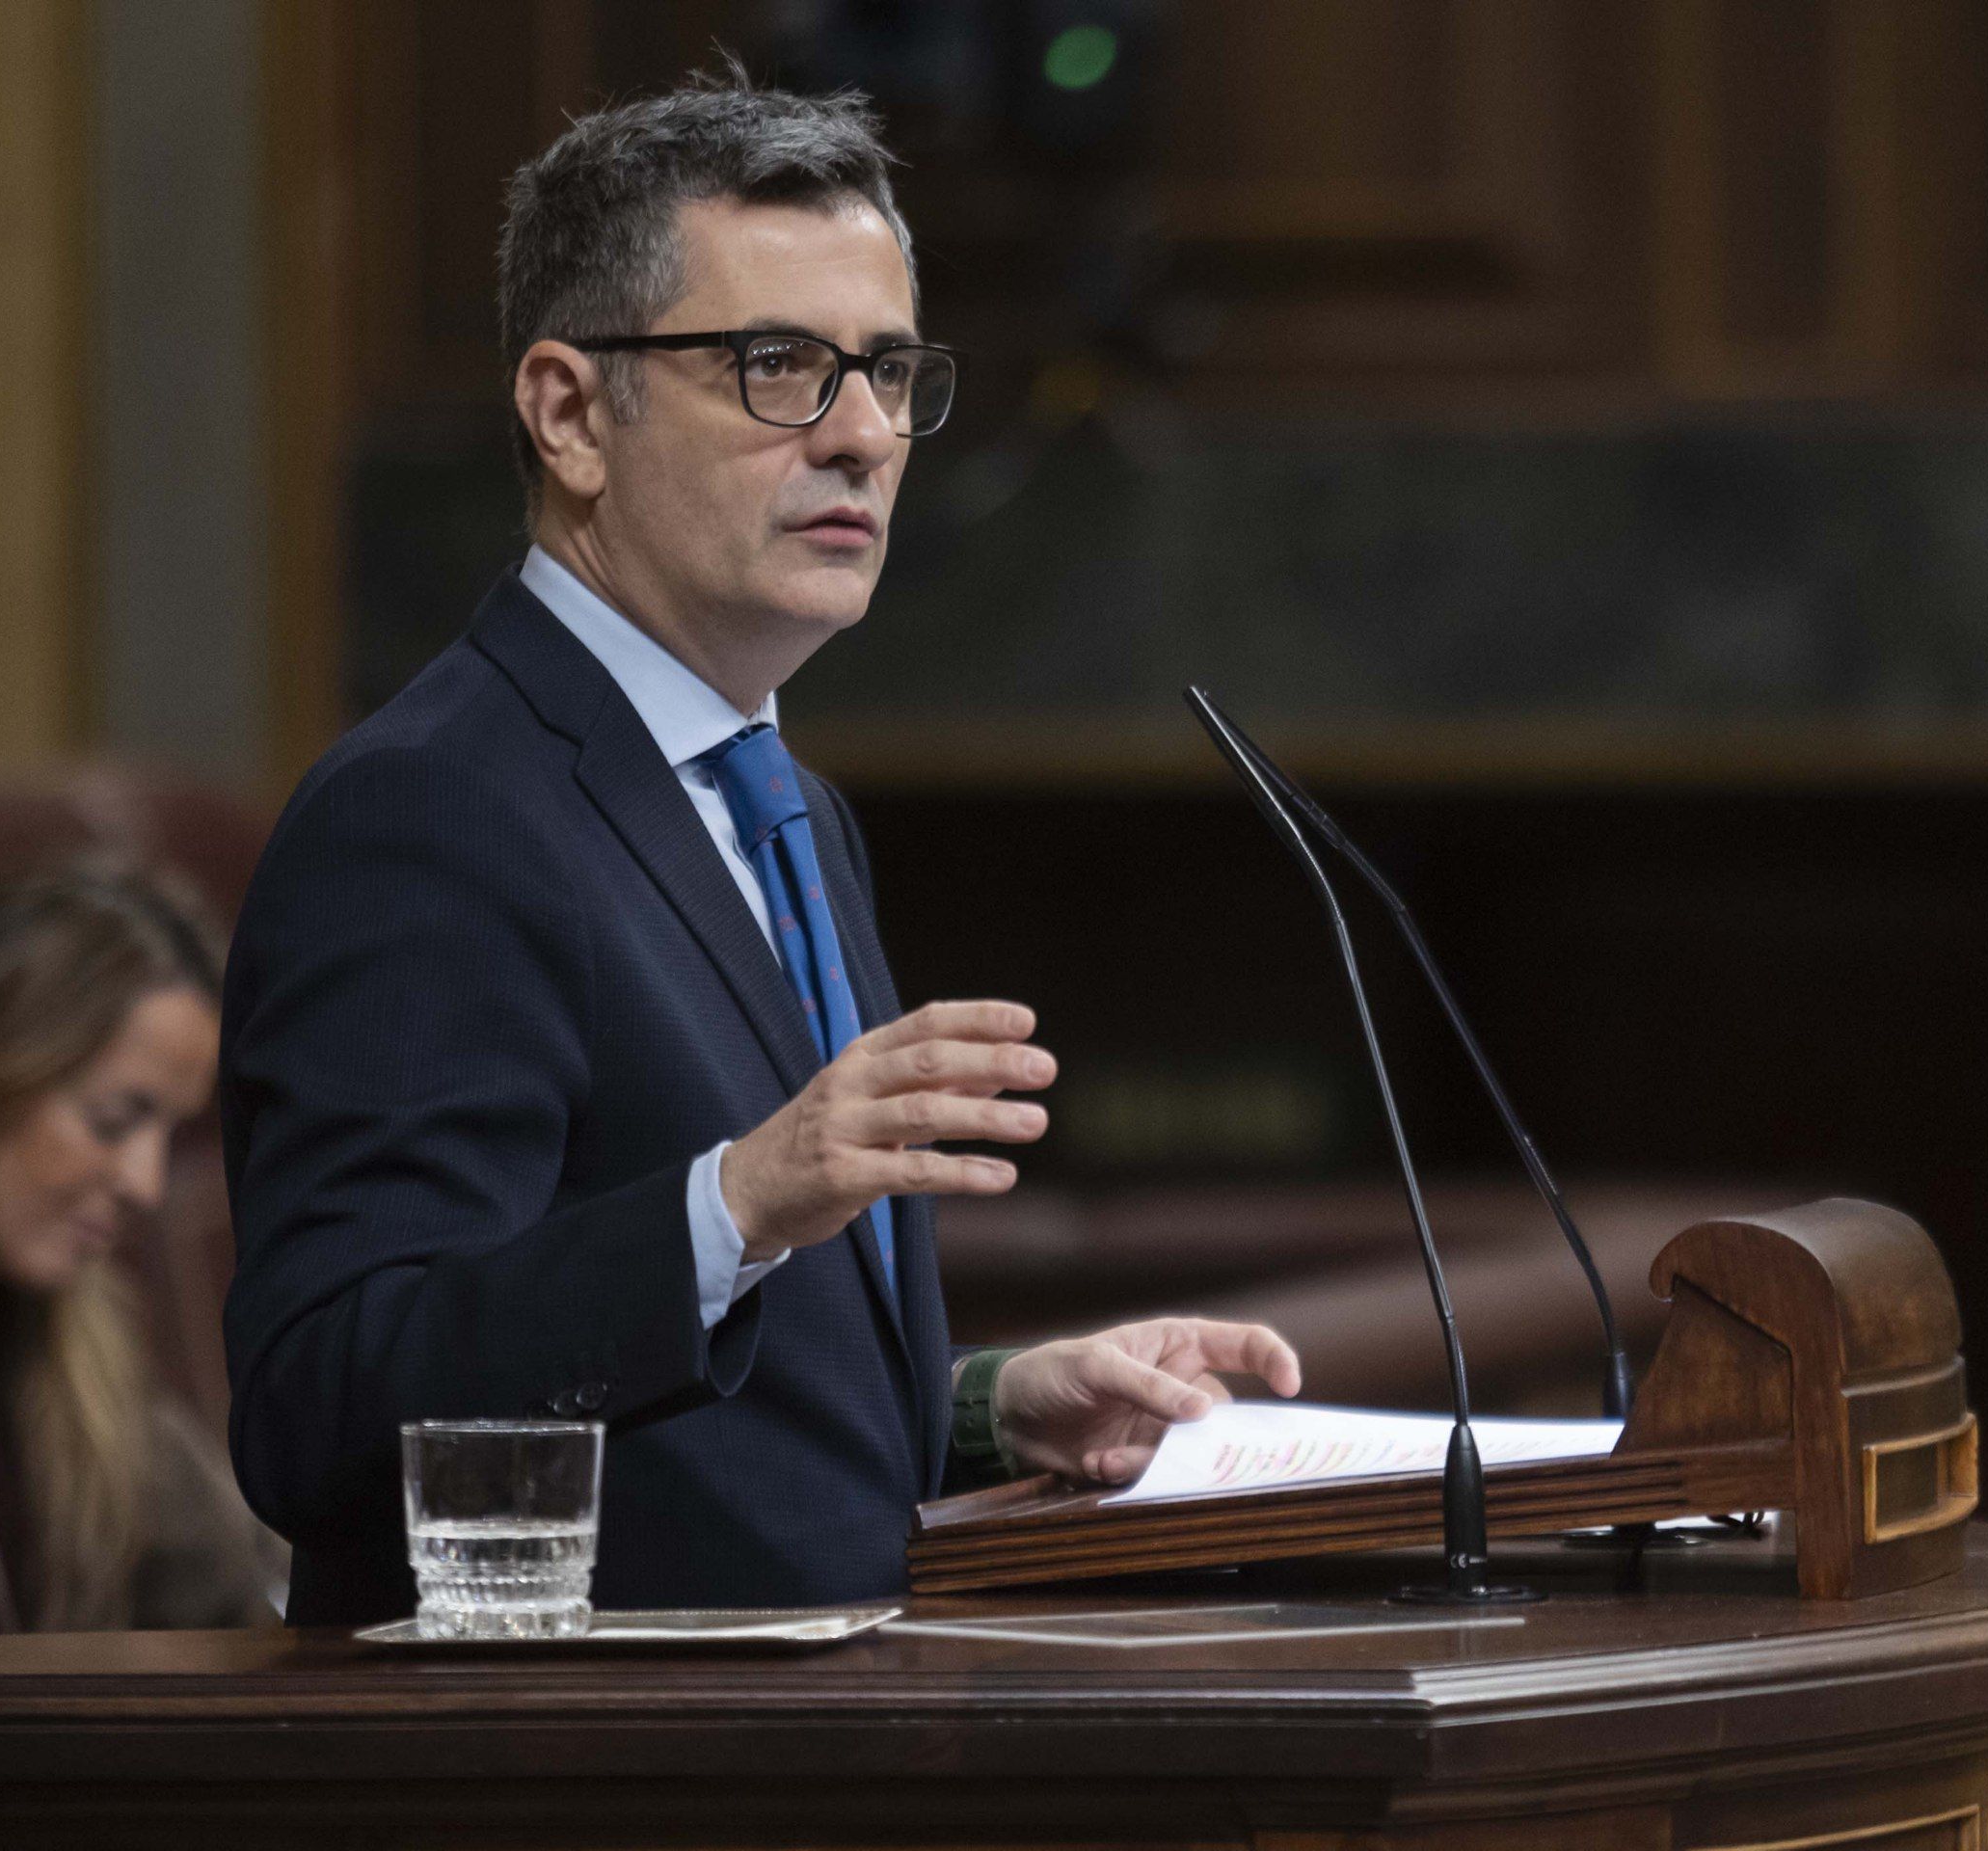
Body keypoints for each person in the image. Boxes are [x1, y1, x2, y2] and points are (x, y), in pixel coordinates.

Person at [220, 67, 1301, 1624]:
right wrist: (739, 1196)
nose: (864, 435)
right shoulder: (428, 816)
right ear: (571, 413)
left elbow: (702, 1417)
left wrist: (986, 1406)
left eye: (887, 370)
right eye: (781, 365)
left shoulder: (785, 803)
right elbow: (326, 1408)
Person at [0, 867, 281, 1666]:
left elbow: (249, 1604)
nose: (144, 1182)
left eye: (169, 1133)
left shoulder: (66, 1332)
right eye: (114, 1118)